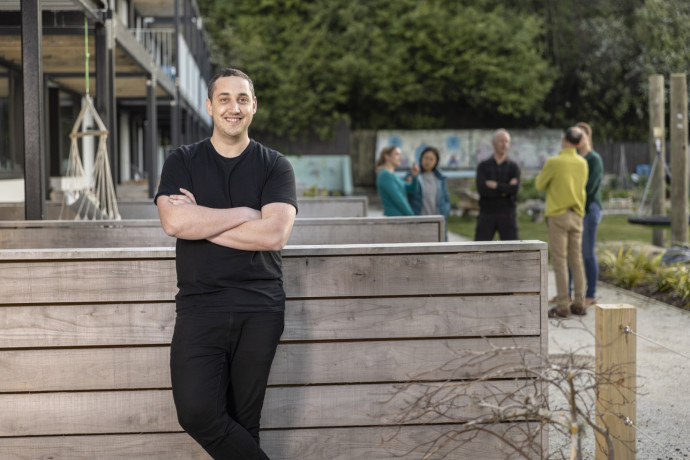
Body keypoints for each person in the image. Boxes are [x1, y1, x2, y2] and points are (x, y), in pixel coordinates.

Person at [155, 68, 297, 460]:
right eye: (224, 99)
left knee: (243, 422)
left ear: (254, 106)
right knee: (197, 413)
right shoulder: (182, 160)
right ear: (209, 105)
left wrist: (201, 221)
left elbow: (273, 235)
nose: (233, 107)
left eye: (242, 99)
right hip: (200, 305)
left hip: (260, 306)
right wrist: (246, 214)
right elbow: (174, 223)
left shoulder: (275, 165)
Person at [535, 126, 588, 318]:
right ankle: (580, 303)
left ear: (564, 139)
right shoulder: (583, 163)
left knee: (559, 261)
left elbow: (539, 184)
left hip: (558, 215)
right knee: (576, 260)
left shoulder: (554, 162)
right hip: (577, 214)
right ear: (579, 143)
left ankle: (563, 305)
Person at [474, 129, 521, 241]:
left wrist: (496, 185)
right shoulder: (483, 166)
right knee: (480, 248)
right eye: (501, 141)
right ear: (494, 144)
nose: (504, 144)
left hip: (508, 213)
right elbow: (482, 190)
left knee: (513, 248)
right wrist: (505, 190)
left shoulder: (513, 167)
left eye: (507, 141)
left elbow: (514, 190)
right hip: (487, 212)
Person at [406, 146, 451, 240]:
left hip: (437, 221)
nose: (428, 161)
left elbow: (446, 199)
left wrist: (445, 213)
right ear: (421, 159)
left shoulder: (440, 178)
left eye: (431, 159)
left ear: (436, 161)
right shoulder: (413, 176)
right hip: (418, 221)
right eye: (426, 158)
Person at [376, 145, 419, 216]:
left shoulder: (394, 177)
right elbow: (399, 200)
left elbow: (412, 189)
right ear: (387, 156)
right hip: (395, 218)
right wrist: (412, 216)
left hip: (401, 218)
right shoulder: (385, 175)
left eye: (400, 155)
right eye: (397, 154)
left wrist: (414, 177)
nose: (400, 158)